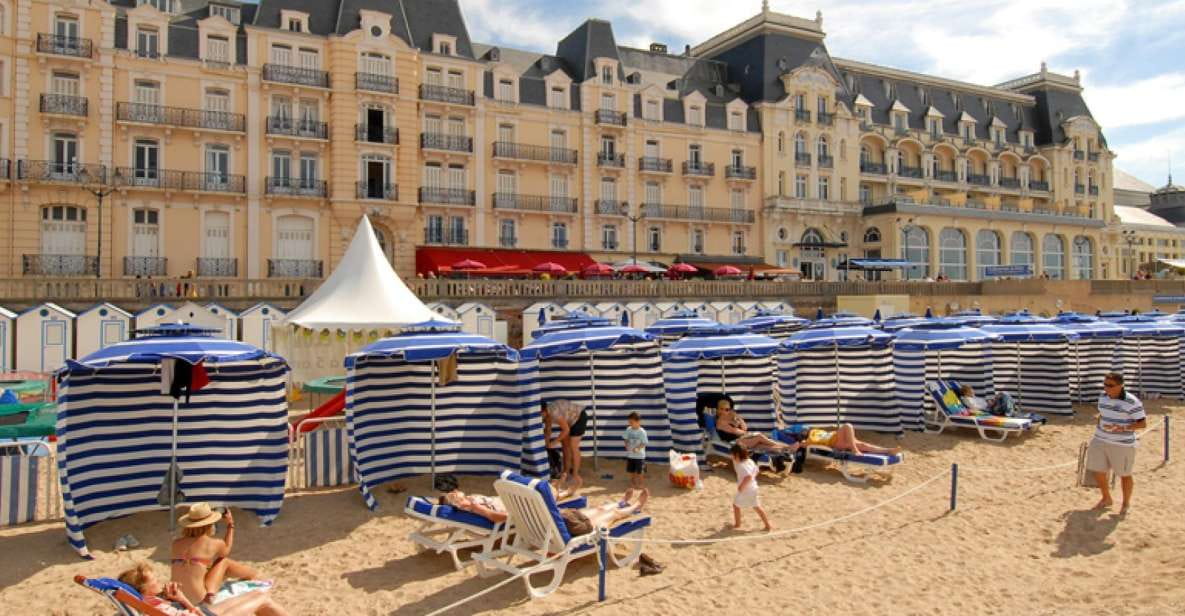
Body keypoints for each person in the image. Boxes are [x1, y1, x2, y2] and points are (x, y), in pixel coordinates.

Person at [118, 562, 288, 616]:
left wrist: (178, 599)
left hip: (202, 611)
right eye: (154, 581)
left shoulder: (146, 604)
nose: (160, 582)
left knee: (257, 593)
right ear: (144, 589)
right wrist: (183, 601)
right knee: (262, 598)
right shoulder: (155, 608)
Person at [170, 503, 259, 606]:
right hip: (199, 599)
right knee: (223, 561)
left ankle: (250, 576)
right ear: (209, 524)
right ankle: (253, 575)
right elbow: (226, 551)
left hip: (178, 597)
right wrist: (230, 525)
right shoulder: (212, 543)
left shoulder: (175, 543)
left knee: (199, 567)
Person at [1088, 372, 1147, 514]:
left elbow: (1142, 423)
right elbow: (1102, 414)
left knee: (1124, 474)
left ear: (1120, 386)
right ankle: (1106, 498)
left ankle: (1126, 503)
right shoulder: (1102, 397)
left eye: (1110, 385)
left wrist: (1123, 428)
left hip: (1122, 443)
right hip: (1100, 439)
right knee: (1098, 470)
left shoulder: (1132, 401)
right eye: (1105, 384)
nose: (1106, 388)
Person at [713, 396, 797, 454]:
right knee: (759, 437)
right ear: (717, 409)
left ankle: (788, 448)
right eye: (721, 409)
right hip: (734, 443)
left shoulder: (731, 419)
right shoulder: (720, 422)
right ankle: (789, 447)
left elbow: (745, 428)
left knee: (762, 446)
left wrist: (738, 417)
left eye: (727, 409)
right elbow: (739, 432)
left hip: (741, 440)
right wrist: (742, 430)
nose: (724, 411)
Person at [541, 399, 588, 492]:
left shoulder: (553, 412)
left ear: (543, 411)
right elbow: (548, 430)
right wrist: (546, 444)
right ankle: (566, 472)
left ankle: (575, 474)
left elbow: (565, 430)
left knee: (573, 445)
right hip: (569, 420)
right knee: (565, 446)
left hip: (580, 417)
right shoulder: (546, 415)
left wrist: (553, 443)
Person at [730, 444, 772, 532]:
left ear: (737, 455)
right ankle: (767, 525)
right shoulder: (749, 461)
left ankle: (738, 524)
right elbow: (756, 470)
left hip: (747, 489)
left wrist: (741, 486)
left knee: (737, 505)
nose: (731, 456)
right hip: (753, 487)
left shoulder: (741, 466)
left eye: (732, 454)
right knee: (755, 506)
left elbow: (748, 476)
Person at [802, 423, 901, 456]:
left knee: (863, 445)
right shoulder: (810, 440)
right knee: (847, 426)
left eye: (805, 429)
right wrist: (800, 443)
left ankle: (888, 450)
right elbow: (803, 445)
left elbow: (829, 432)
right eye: (803, 431)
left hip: (838, 436)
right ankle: (854, 450)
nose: (806, 430)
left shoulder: (815, 431)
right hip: (836, 443)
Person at [623, 412, 648, 490]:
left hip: (640, 456)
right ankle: (632, 481)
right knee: (631, 470)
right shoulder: (628, 429)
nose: (630, 424)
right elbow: (625, 438)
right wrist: (626, 444)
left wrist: (638, 448)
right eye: (629, 422)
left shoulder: (642, 432)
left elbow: (644, 443)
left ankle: (641, 483)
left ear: (638, 422)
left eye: (632, 422)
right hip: (630, 455)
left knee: (640, 471)